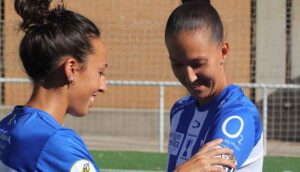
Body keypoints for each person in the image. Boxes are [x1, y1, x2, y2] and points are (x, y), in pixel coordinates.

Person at [0, 0, 107, 171]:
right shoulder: (56, 142)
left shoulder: (6, 125)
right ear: (72, 69)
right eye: (100, 73)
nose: (103, 86)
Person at [165, 0, 263, 172]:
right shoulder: (180, 110)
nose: (189, 77)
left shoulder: (238, 116)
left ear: (223, 52)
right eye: (177, 64)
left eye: (198, 63)